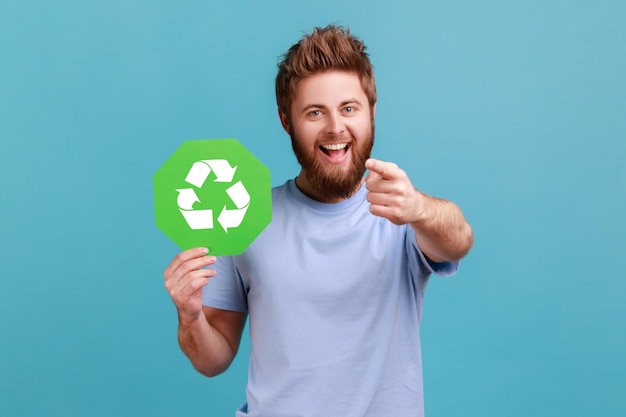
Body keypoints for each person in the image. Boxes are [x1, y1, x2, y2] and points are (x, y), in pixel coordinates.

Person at [164, 25, 473, 417]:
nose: (335, 128)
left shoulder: (402, 213)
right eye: (314, 112)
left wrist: (419, 208)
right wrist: (189, 316)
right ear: (285, 120)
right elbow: (213, 360)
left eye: (349, 108)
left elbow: (459, 239)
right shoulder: (241, 218)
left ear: (371, 112)